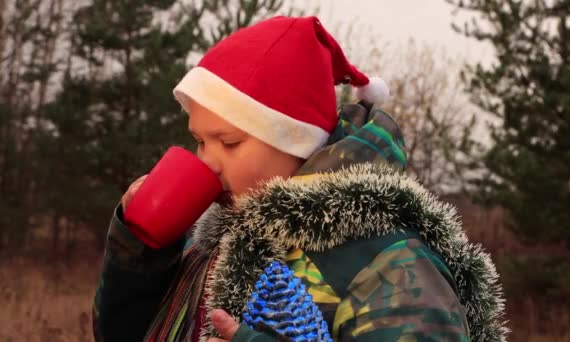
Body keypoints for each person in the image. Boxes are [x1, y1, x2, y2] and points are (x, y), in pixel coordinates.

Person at [93, 16, 506, 342]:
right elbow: (123, 332)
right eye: (200, 141)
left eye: (229, 142)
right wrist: (141, 248)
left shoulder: (383, 258)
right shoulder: (213, 240)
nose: (209, 162)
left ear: (298, 143)